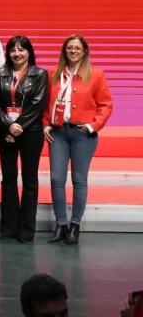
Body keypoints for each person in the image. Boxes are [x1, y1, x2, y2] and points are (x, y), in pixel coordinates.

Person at [45, 33, 113, 245]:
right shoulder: (53, 73)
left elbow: (106, 104)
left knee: (79, 179)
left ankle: (75, 226)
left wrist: (94, 125)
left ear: (84, 52)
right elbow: (45, 102)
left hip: (83, 134)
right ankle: (61, 225)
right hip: (58, 132)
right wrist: (45, 123)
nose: (73, 51)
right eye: (69, 48)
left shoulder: (96, 75)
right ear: (64, 51)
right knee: (56, 179)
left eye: (77, 48)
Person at [0, 36, 49, 242]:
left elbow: (37, 105)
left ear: (29, 52)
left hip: (31, 133)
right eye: (12, 50)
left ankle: (26, 229)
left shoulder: (39, 74)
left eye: (21, 50)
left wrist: (18, 127)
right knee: (8, 179)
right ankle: (8, 227)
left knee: (29, 180)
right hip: (6, 131)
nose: (17, 54)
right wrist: (9, 125)